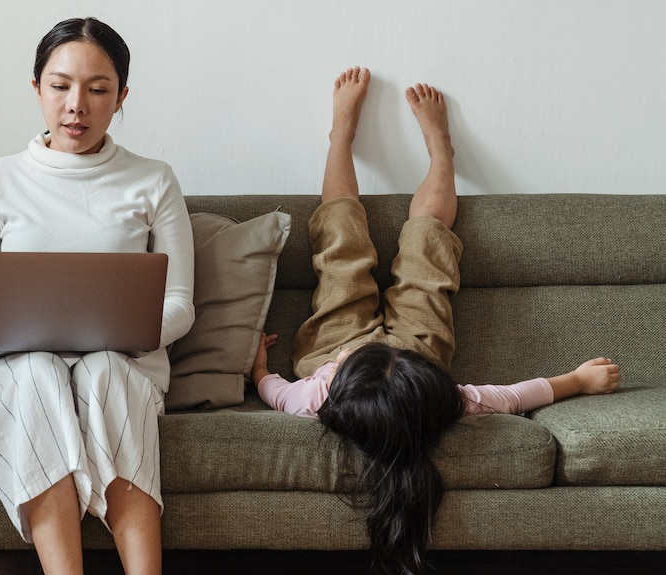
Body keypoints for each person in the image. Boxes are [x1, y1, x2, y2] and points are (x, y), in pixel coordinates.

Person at [251, 67, 621, 575]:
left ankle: (340, 136)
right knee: (428, 244)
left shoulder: (316, 396)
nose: (347, 360)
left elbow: (274, 391)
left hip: (334, 344)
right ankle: (442, 152)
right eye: (344, 366)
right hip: (414, 352)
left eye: (341, 370)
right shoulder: (440, 398)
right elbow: (514, 395)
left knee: (339, 245)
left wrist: (258, 369)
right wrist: (577, 380)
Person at [0, 17, 194, 575]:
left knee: (104, 370)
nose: (76, 105)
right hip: (16, 362)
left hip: (124, 361)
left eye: (98, 89)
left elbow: (179, 304)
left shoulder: (154, 180)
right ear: (37, 88)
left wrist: (125, 332)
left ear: (122, 96)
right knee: (38, 371)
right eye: (60, 86)